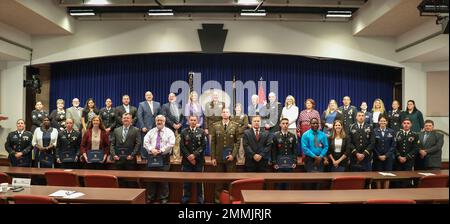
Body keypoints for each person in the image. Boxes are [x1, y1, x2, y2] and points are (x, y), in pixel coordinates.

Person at [143, 115, 175, 204]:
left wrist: (160, 151)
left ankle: (164, 198)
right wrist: (151, 149)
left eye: (161, 120)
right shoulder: (151, 132)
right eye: (158, 120)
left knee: (163, 179)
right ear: (155, 121)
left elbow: (171, 144)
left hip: (164, 158)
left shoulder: (169, 132)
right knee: (151, 179)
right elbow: (145, 142)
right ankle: (150, 197)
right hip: (152, 157)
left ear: (164, 122)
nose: (159, 122)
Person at [210, 108, 240, 204]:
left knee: (231, 182)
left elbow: (237, 142)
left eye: (227, 112)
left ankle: (230, 201)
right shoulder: (215, 126)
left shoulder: (235, 125)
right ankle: (217, 201)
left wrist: (233, 155)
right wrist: (213, 157)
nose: (225, 113)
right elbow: (213, 143)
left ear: (230, 114)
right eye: (223, 112)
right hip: (219, 158)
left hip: (231, 159)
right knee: (219, 182)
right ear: (221, 114)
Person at [180, 115, 207, 204]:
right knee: (186, 183)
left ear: (197, 121)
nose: (193, 122)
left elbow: (203, 146)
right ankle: (185, 200)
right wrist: (189, 156)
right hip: (187, 162)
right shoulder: (184, 132)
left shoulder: (201, 131)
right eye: (191, 120)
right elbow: (182, 146)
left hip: (198, 161)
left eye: (195, 120)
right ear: (188, 121)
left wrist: (194, 155)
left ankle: (200, 200)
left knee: (199, 183)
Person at [272, 118, 298, 189]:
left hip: (290, 163)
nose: (285, 125)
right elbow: (273, 150)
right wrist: (274, 163)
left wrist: (295, 161)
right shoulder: (276, 136)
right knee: (279, 183)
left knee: (289, 184)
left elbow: (295, 150)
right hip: (279, 163)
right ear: (280, 125)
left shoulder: (292, 136)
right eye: (283, 123)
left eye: (286, 123)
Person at [394, 118, 419, 187]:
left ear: (411, 125)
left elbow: (416, 148)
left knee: (407, 178)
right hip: (398, 160)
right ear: (402, 124)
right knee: (398, 178)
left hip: (409, 160)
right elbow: (394, 146)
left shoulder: (414, 135)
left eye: (408, 123)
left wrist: (407, 157)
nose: (406, 125)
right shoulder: (398, 134)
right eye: (404, 123)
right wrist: (398, 156)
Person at [161, 92, 185, 161]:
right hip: (169, 128)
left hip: (178, 128)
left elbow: (183, 117)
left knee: (177, 143)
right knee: (168, 143)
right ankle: (167, 158)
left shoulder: (179, 106)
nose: (171, 97)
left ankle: (176, 158)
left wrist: (180, 124)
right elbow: (165, 117)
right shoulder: (165, 106)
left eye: (173, 96)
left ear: (175, 98)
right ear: (168, 98)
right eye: (170, 96)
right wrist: (173, 125)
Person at [137, 91, 161, 159]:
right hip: (146, 127)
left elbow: (160, 115)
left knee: (155, 141)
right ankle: (144, 157)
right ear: (145, 97)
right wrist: (142, 126)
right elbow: (139, 116)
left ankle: (154, 156)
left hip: (156, 127)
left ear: (152, 96)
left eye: (150, 95)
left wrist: (159, 126)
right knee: (145, 142)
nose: (149, 96)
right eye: (147, 95)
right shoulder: (141, 104)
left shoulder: (158, 104)